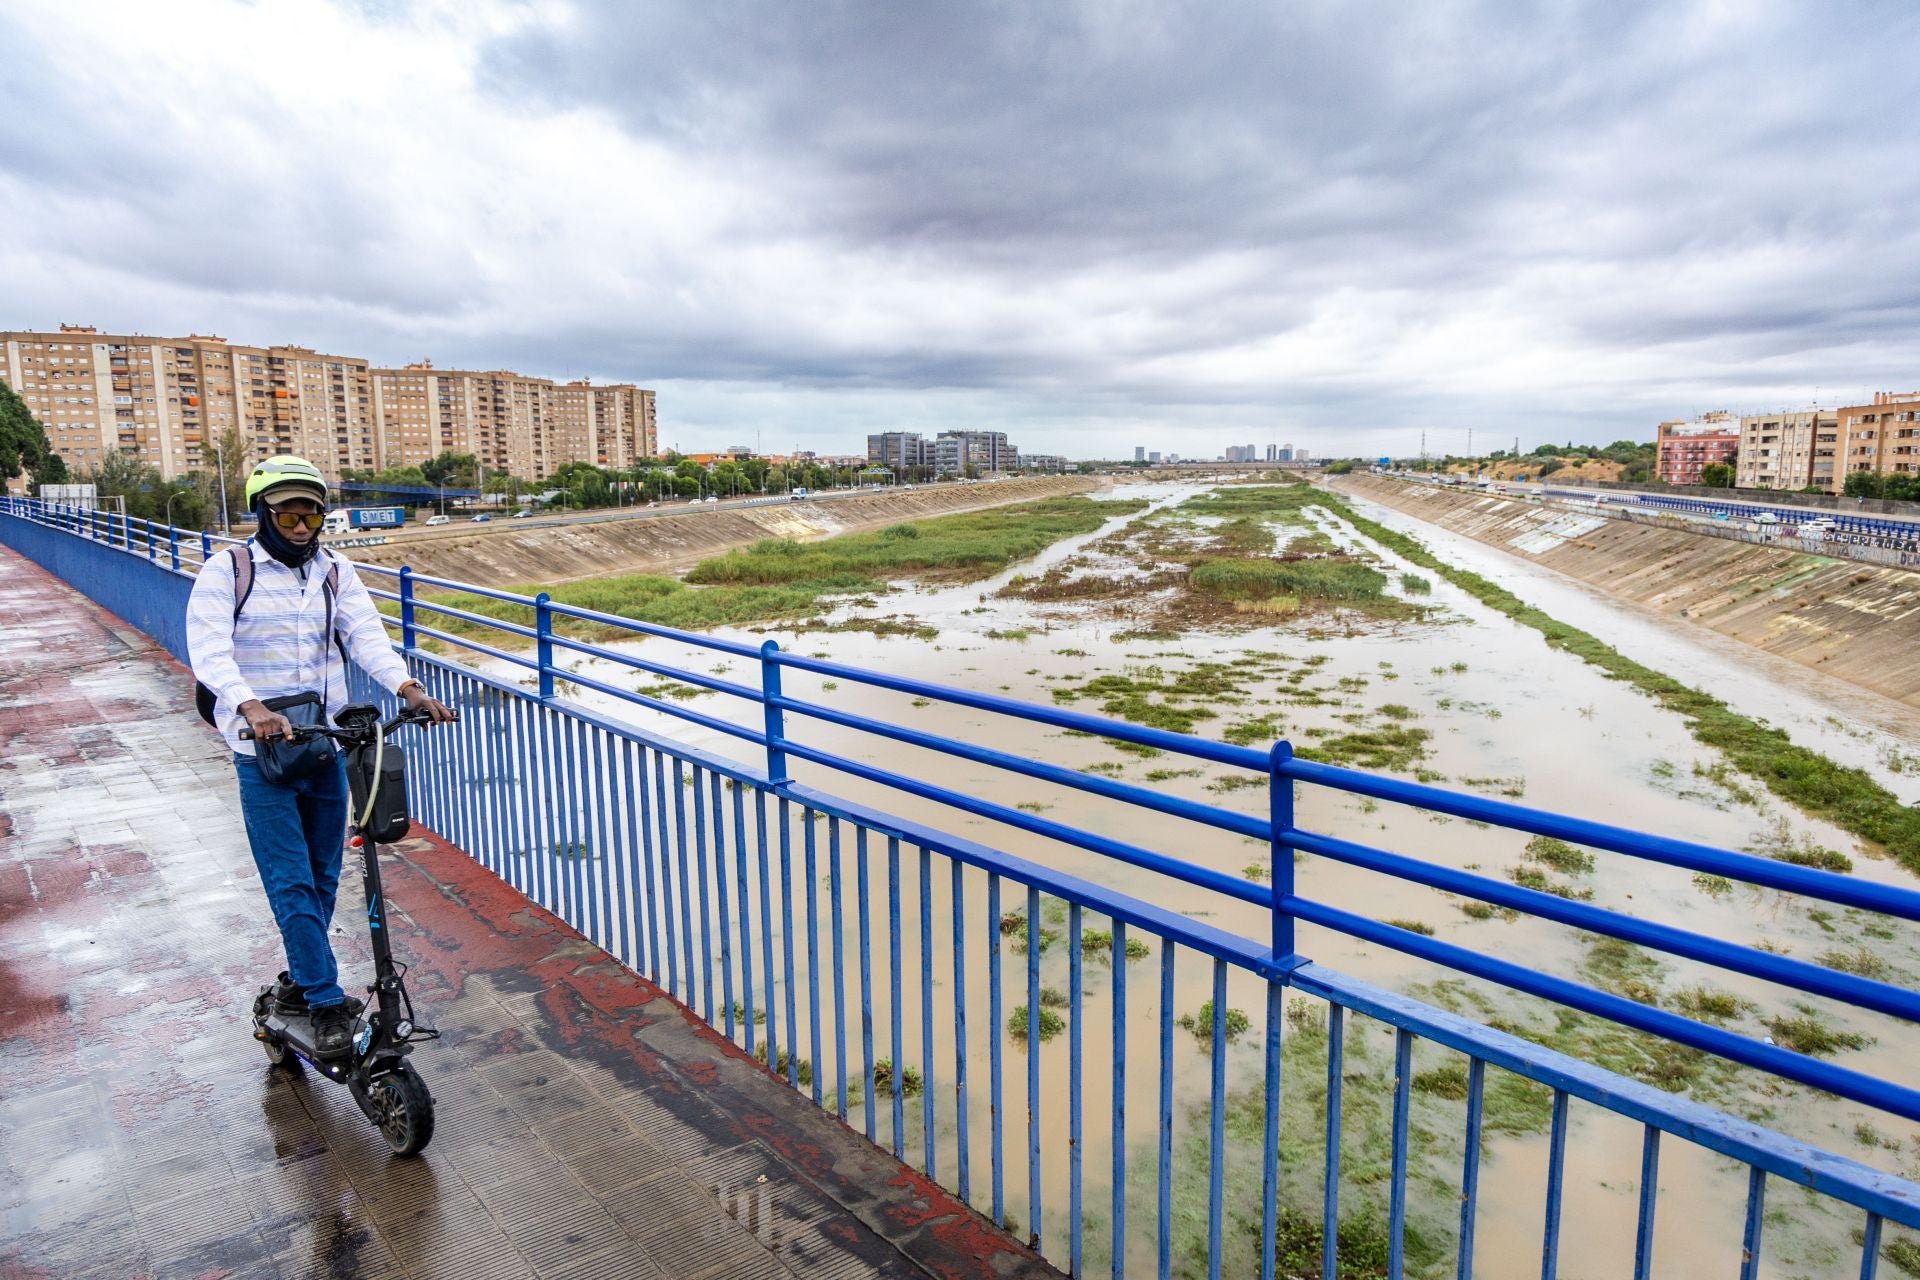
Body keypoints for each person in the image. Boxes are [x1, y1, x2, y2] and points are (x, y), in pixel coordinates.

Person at [187, 455, 455, 1057]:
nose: (301, 525)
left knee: (323, 876)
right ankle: (325, 1000)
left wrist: (408, 688)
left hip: (323, 744)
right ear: (263, 513)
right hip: (262, 752)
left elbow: (365, 636)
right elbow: (208, 650)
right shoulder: (228, 571)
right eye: (288, 514)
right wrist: (250, 706)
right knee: (291, 882)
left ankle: (298, 983)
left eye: (310, 513)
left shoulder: (335, 570)